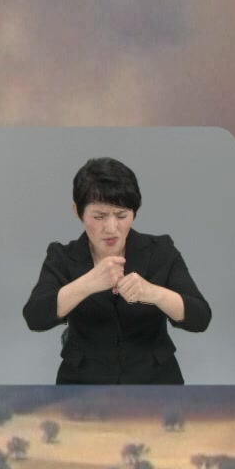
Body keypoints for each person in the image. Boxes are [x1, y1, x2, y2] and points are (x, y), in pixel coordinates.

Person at [22, 157, 211, 384]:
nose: (111, 228)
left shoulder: (161, 251)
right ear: (77, 211)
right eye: (99, 216)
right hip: (81, 383)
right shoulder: (62, 257)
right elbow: (34, 316)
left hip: (157, 380)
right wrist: (88, 283)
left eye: (122, 216)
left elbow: (201, 317)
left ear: (134, 212)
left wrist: (152, 293)